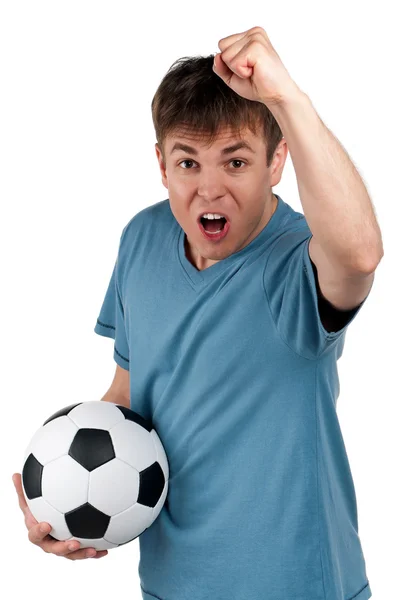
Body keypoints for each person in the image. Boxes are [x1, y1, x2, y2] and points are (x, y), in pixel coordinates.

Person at [14, 37, 381, 598]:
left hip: (297, 585)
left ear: (276, 160)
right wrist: (66, 497)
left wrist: (290, 100)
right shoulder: (143, 237)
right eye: (189, 162)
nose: (210, 189)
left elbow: (359, 255)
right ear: (162, 165)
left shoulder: (300, 263)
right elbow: (132, 393)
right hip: (170, 584)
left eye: (236, 161)